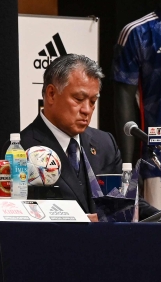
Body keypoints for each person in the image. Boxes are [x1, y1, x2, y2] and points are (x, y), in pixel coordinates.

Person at [13, 54, 122, 216]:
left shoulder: (105, 143)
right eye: (79, 99)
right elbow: (19, 214)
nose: (87, 109)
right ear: (51, 94)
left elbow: (123, 201)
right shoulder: (21, 149)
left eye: (93, 101)